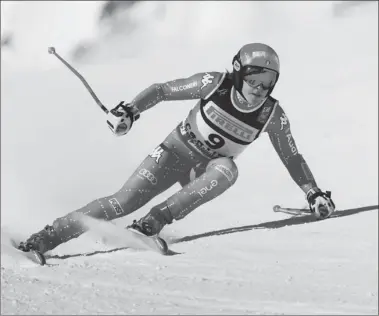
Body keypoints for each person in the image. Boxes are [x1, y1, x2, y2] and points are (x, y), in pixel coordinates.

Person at [18, 43, 336, 254]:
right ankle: (43, 240)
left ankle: (149, 225)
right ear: (239, 72)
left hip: (202, 171)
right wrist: (129, 111)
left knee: (228, 169)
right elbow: (163, 90)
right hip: (173, 152)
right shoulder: (215, 83)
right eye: (255, 79)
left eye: (269, 82)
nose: (260, 89)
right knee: (122, 202)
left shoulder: (272, 115)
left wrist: (313, 192)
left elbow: (291, 156)